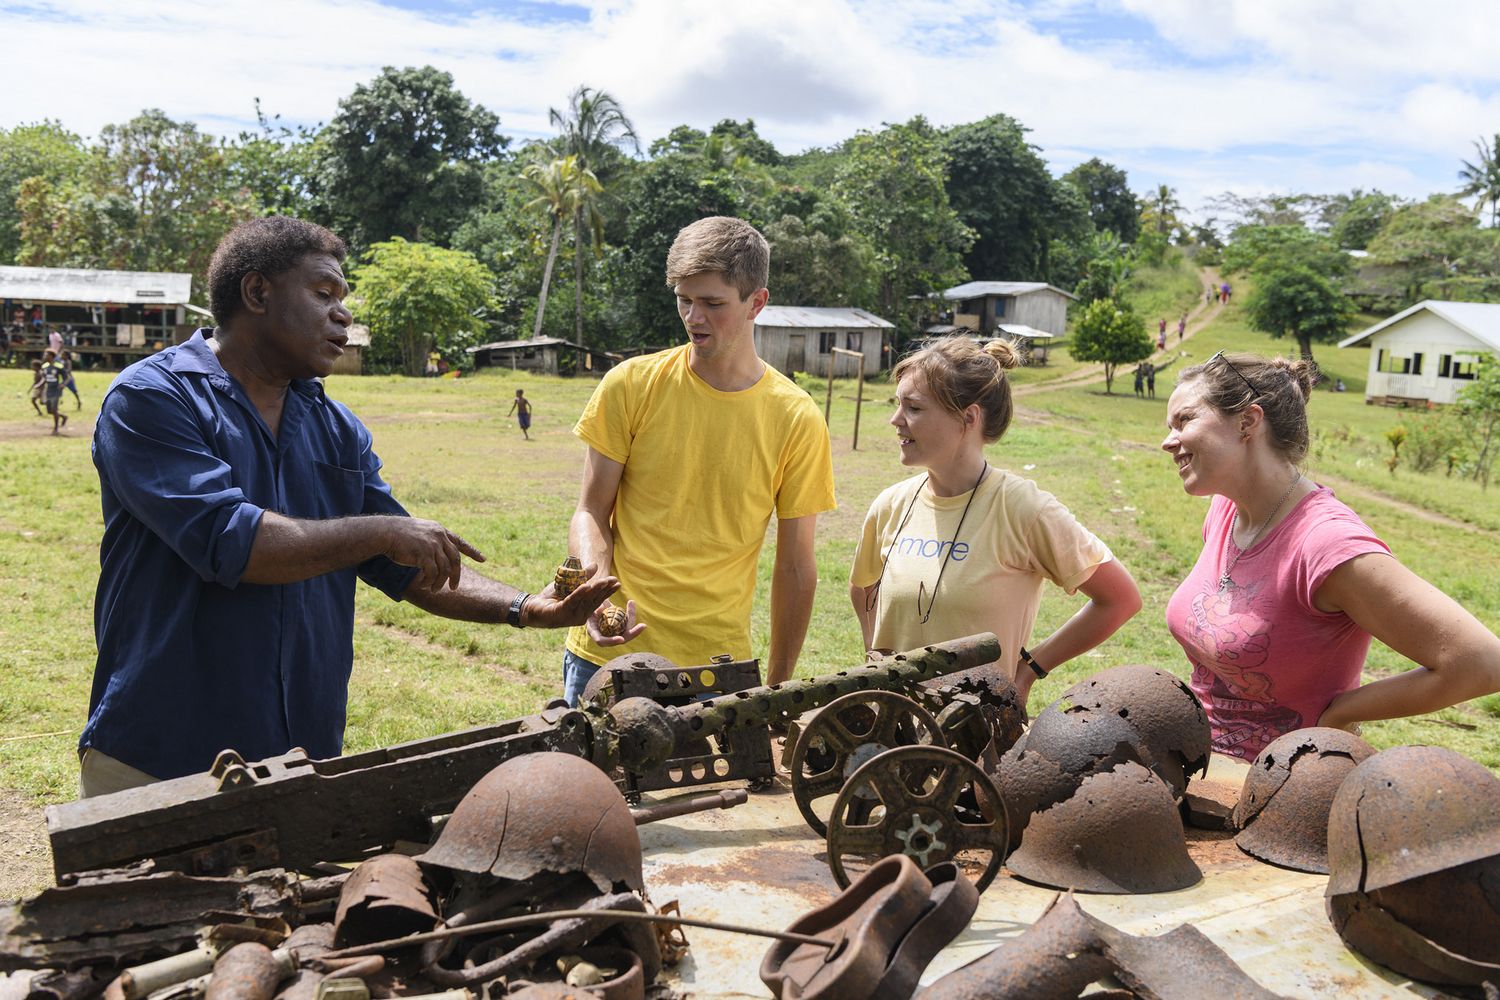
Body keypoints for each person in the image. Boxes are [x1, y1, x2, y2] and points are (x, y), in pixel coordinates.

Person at [81, 216, 621, 797]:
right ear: (257, 292)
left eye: (344, 299)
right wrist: (379, 531)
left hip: (299, 760)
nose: (343, 315)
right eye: (323, 294)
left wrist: (525, 608)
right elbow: (230, 541)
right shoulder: (153, 398)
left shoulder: (334, 427)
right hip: (162, 758)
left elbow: (406, 566)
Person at [1161, 351, 1500, 760]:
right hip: (1205, 766)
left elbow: (1481, 663)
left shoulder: (1326, 544)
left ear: (1248, 421)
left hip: (1290, 786)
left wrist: (1342, 713)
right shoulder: (1226, 510)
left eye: (1185, 420)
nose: (1168, 441)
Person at [563, 216, 835, 702]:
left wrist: (777, 685)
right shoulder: (630, 384)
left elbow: (796, 566)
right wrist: (592, 591)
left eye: (712, 303)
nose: (694, 318)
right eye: (684, 300)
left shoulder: (796, 417)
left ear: (757, 302)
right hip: (607, 655)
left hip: (717, 670)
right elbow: (590, 512)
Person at [851, 338, 1142, 706]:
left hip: (976, 739)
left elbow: (1121, 599)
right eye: (898, 405)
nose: (896, 420)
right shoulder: (890, 504)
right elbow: (861, 588)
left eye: (914, 407)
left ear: (968, 418)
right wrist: (872, 659)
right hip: (890, 733)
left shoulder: (1024, 508)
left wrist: (1029, 670)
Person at [40, 349, 67, 434]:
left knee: (54, 409)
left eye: (46, 355)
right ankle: (63, 417)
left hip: (56, 390)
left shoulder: (59, 366)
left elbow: (67, 378)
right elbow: (44, 378)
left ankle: (55, 429)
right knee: (49, 411)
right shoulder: (44, 366)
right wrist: (39, 386)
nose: (44, 356)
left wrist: (63, 384)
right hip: (48, 390)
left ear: (51, 356)